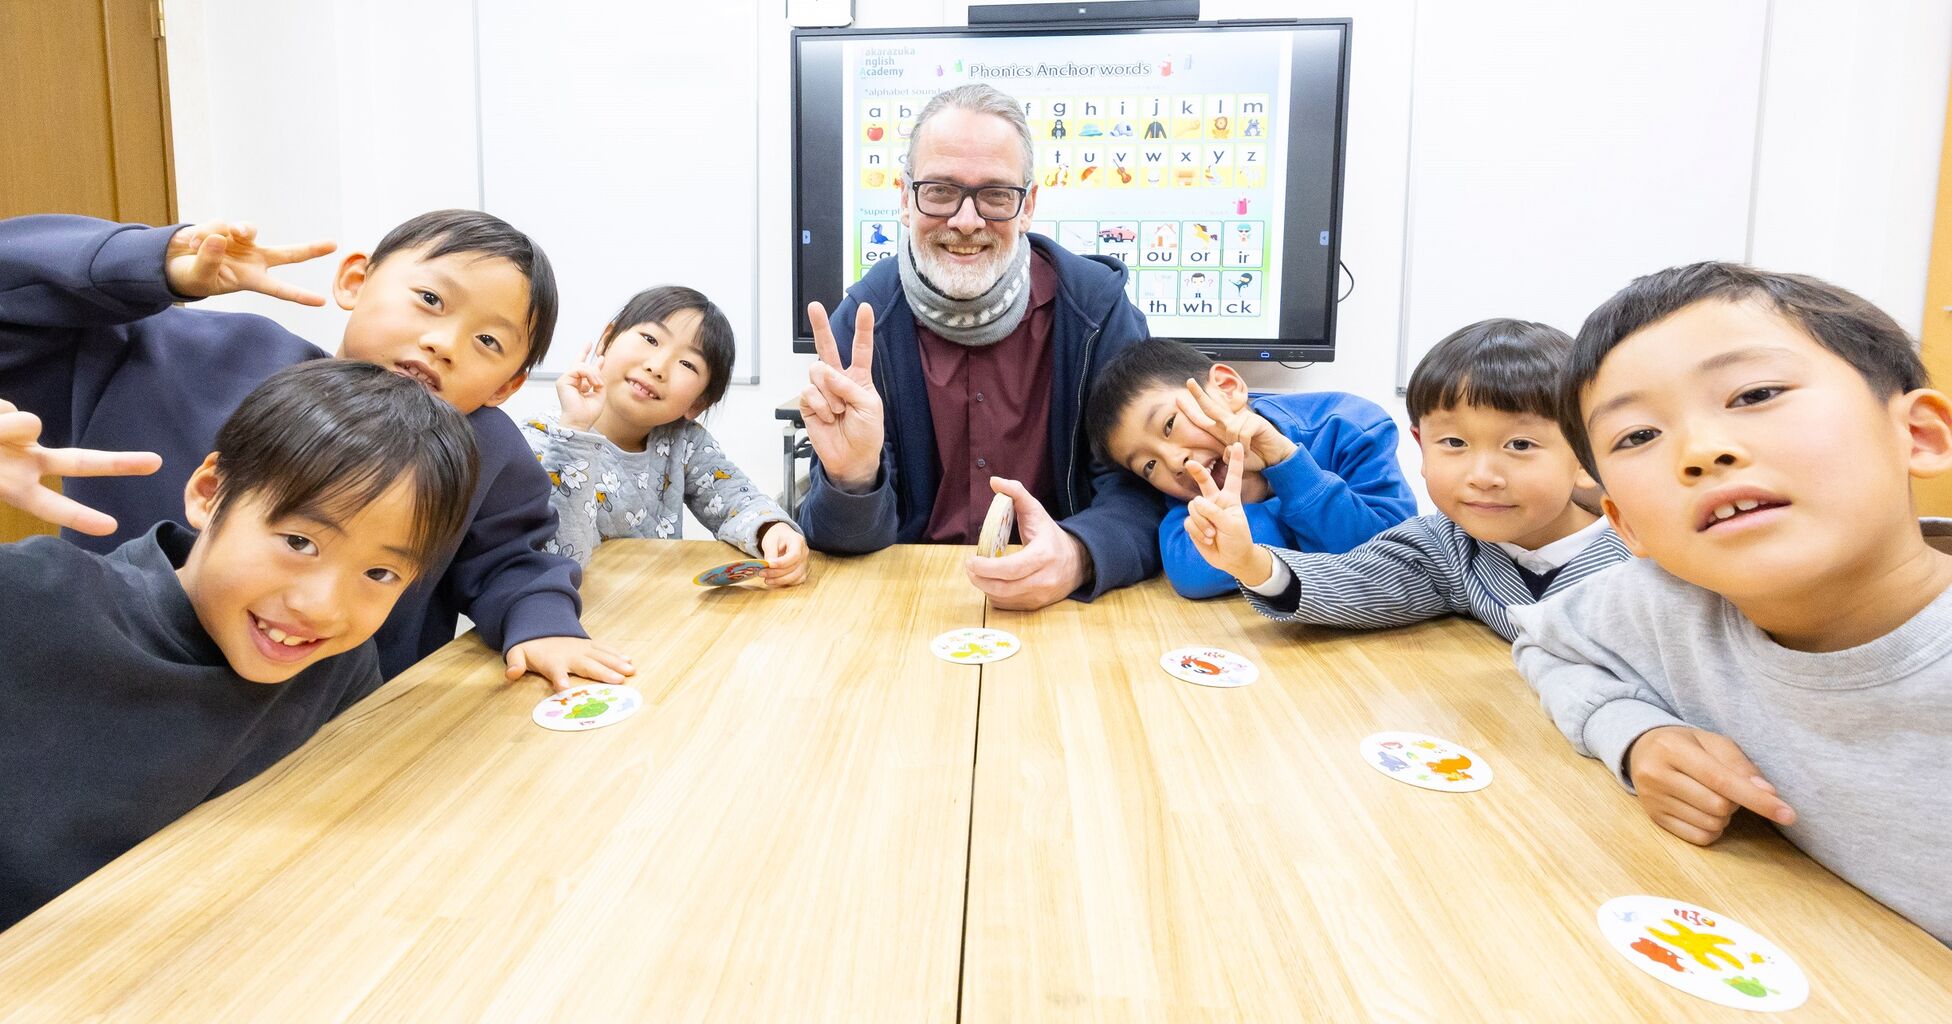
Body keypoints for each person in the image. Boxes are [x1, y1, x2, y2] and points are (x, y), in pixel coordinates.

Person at [0, 211, 632, 688]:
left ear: (507, 386)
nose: (444, 342)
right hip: (109, 690)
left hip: (330, 733)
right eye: (430, 300)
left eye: (489, 342)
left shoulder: (481, 450)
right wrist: (153, 262)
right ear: (356, 279)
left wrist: (542, 622)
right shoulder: (182, 355)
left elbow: (511, 560)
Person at [1511, 263, 1952, 944]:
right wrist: (1633, 732)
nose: (1700, 451)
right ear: (1626, 526)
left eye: (1755, 394)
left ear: (1918, 435)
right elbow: (1545, 645)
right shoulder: (1669, 600)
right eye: (1638, 436)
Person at [0, 361, 478, 930]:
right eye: (299, 542)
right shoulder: (37, 598)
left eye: (379, 574)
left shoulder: (336, 663)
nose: (322, 607)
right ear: (210, 493)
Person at [795, 83, 1163, 610]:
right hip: (908, 602)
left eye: (995, 195)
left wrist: (1079, 553)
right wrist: (852, 480)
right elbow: (841, 543)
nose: (966, 221)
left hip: (1067, 605)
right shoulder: (863, 326)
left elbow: (1143, 492)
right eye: (939, 191)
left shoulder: (1096, 315)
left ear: (1027, 205)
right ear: (905, 198)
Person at [1176, 320, 1629, 639]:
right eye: (1454, 443)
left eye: (1520, 445)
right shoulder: (1449, 547)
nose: (1482, 476)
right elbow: (1357, 583)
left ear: (1585, 454)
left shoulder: (1645, 558)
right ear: (1422, 448)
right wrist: (1249, 562)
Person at [1085, 338, 1415, 598]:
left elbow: (1393, 562)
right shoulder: (1194, 493)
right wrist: (1307, 529)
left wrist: (1287, 466)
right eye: (1149, 465)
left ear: (1227, 387)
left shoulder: (1351, 425)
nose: (1174, 463)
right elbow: (1192, 572)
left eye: (1169, 424)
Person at [522, 286, 807, 583]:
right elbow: (554, 560)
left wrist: (773, 530)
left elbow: (738, 499)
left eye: (688, 364)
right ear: (606, 340)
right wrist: (575, 432)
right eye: (650, 339)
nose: (657, 367)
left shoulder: (683, 442)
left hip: (659, 605)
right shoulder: (540, 439)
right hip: (576, 607)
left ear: (697, 403)